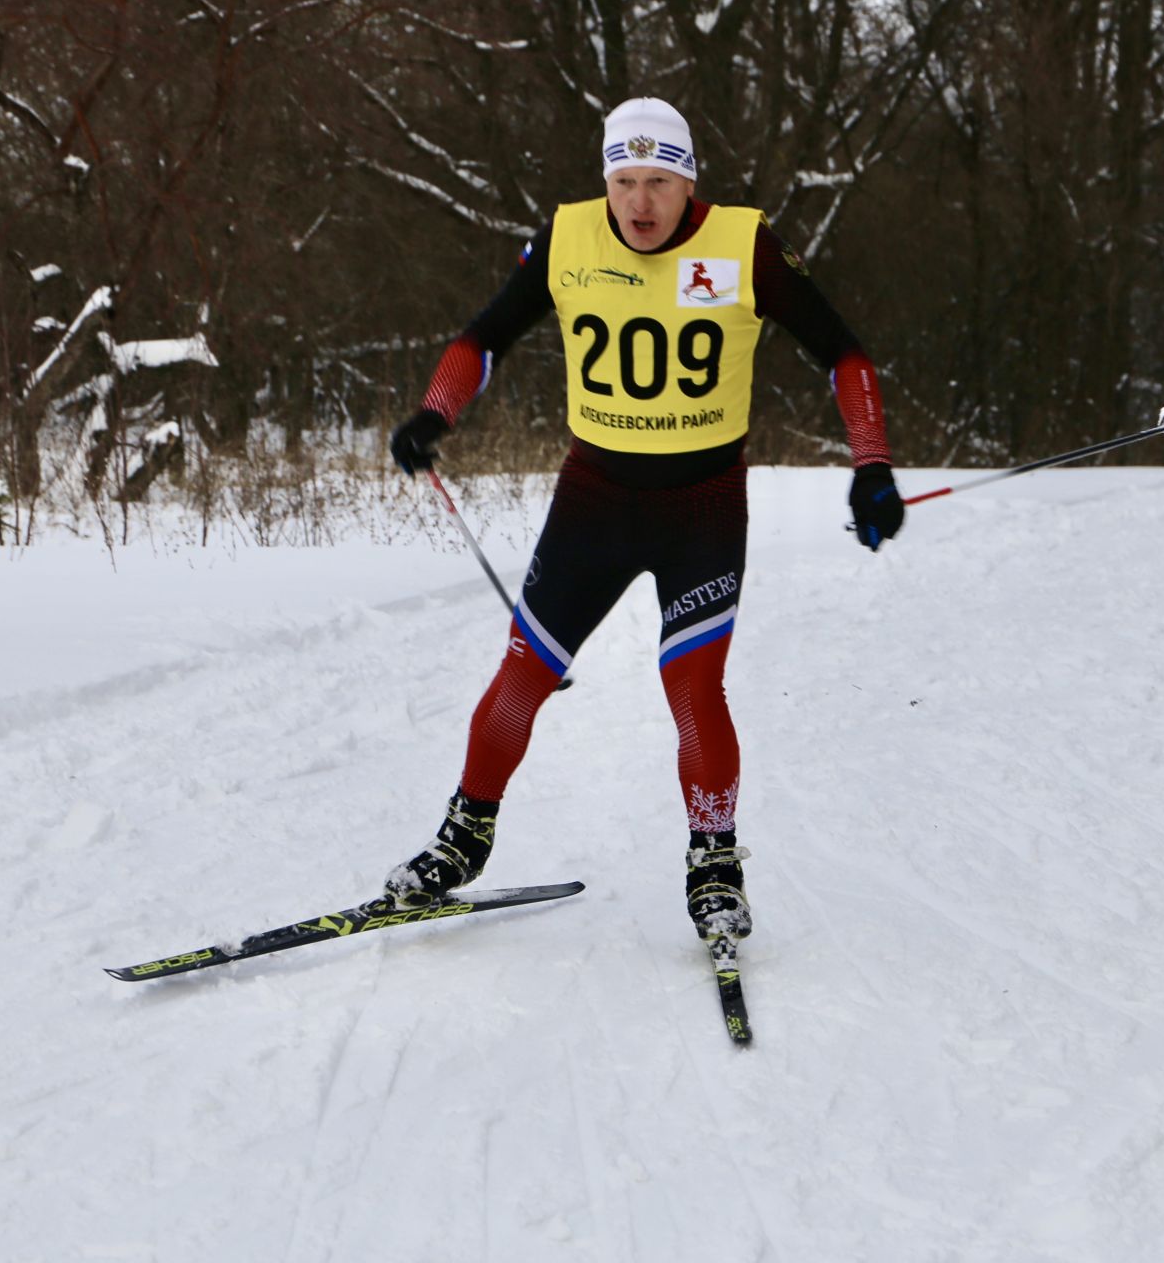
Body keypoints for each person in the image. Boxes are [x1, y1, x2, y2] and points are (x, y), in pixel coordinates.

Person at [381, 97, 903, 944]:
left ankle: (714, 864)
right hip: (593, 502)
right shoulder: (568, 237)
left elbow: (845, 353)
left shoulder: (743, 244)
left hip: (701, 510)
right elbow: (484, 338)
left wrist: (871, 462)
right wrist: (434, 412)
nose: (640, 203)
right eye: (624, 180)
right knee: (523, 675)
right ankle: (462, 838)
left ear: (687, 179)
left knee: (694, 691)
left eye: (659, 181)